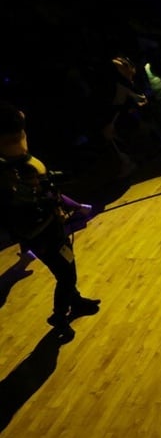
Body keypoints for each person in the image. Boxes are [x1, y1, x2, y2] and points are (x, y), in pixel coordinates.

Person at [0, 103, 99, 330]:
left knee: (66, 267)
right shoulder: (8, 178)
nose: (20, 143)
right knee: (66, 275)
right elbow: (20, 216)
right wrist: (49, 204)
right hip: (42, 236)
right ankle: (59, 316)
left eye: (21, 135)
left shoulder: (22, 163)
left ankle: (75, 301)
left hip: (53, 228)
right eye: (12, 140)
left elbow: (47, 189)